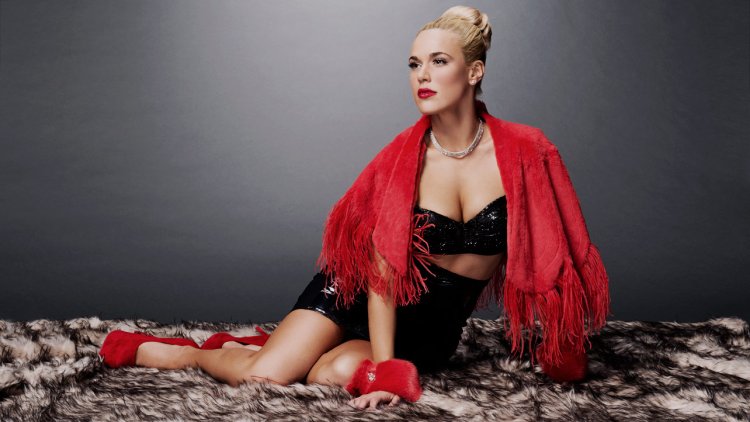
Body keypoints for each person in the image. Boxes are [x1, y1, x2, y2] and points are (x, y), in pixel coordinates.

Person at [99, 5, 610, 411]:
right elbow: (380, 274)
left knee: (335, 371)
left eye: (439, 61)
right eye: (414, 64)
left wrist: (562, 344)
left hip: (431, 328)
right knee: (266, 376)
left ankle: (262, 346)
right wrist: (387, 371)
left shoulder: (526, 152)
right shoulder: (399, 161)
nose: (422, 75)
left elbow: (557, 250)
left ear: (474, 71)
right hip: (357, 293)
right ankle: (187, 354)